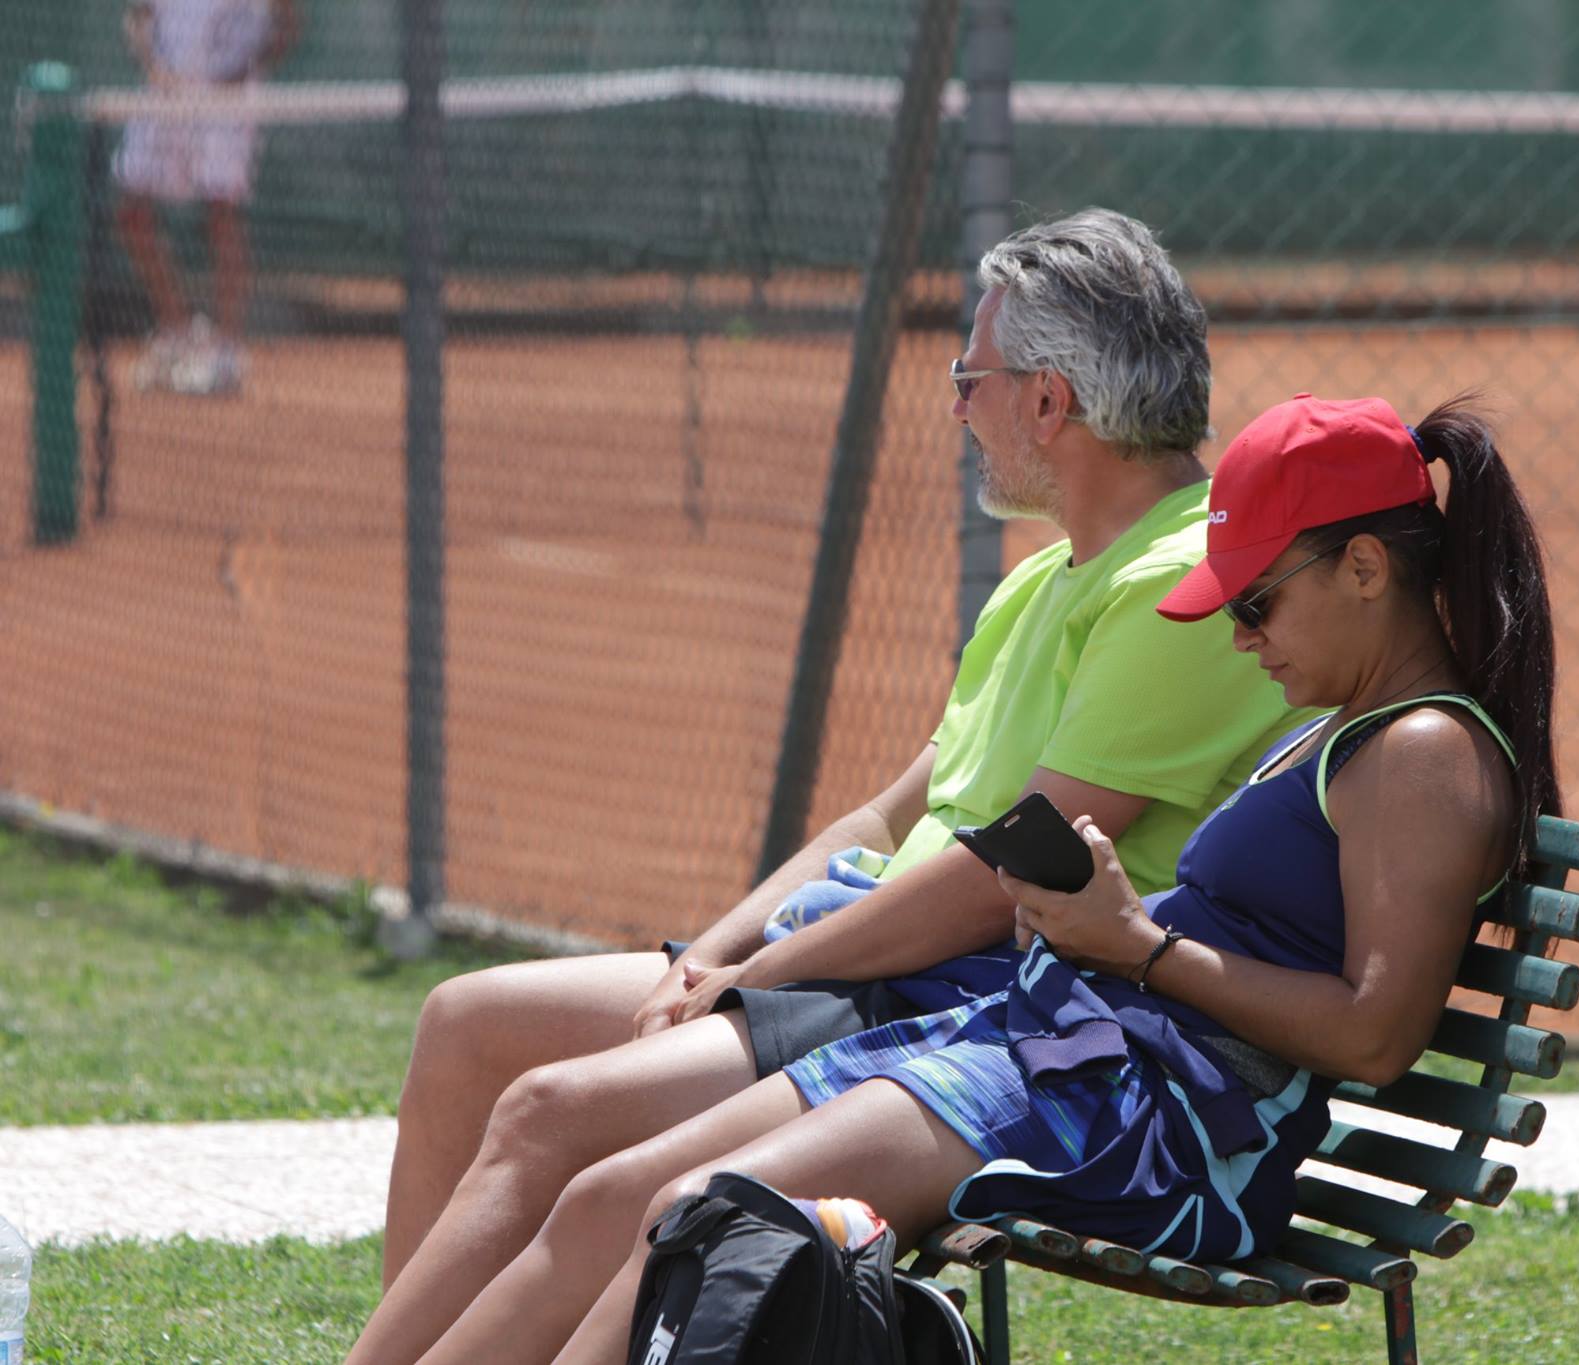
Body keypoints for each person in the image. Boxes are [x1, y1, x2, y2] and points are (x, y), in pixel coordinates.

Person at [362, 389, 1563, 1364]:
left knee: (695, 1212)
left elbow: (1371, 1036)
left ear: (1363, 567)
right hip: (1056, 1050)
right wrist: (1111, 937)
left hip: (1141, 1120)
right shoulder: (1344, 725)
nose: (1243, 640)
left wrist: (1136, 945)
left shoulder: (1424, 753)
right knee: (614, 1192)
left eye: (1257, 604)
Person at [347, 208, 1312, 1363]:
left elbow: (995, 874)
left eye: (972, 379)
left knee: (563, 1119)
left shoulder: (1179, 586)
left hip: (943, 985)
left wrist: (758, 972)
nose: (959, 409)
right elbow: (883, 819)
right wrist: (709, 954)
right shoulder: (1048, 576)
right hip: (865, 954)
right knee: (469, 1025)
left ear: (1049, 404)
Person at [114, 0, 299, 395]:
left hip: (227, 101)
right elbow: (137, 16)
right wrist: (154, 65)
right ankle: (177, 332)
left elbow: (288, 22)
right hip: (165, 95)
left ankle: (227, 354)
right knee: (130, 211)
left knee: (222, 213)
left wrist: (243, 71)